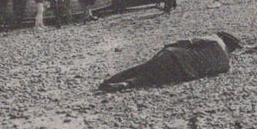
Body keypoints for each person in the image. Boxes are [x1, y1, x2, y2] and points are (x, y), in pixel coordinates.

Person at [99, 32, 242, 92]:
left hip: (176, 56)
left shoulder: (215, 40)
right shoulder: (226, 65)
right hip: (185, 73)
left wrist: (168, 46)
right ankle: (126, 84)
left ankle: (110, 80)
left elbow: (187, 42)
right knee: (150, 79)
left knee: (143, 67)